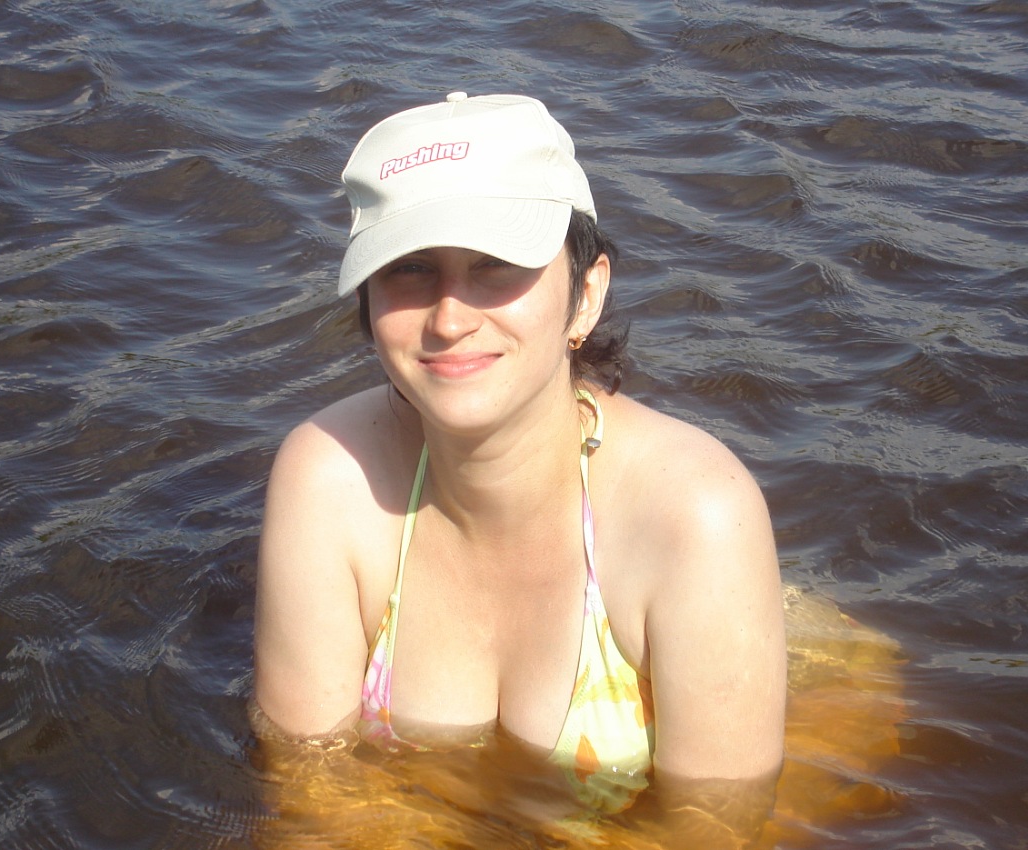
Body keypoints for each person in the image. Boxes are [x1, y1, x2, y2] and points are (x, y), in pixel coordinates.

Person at [252, 92, 787, 818]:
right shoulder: (327, 478)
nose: (449, 317)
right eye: (410, 268)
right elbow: (310, 797)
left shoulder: (698, 518)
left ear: (585, 295)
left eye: (496, 263)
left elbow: (715, 829)